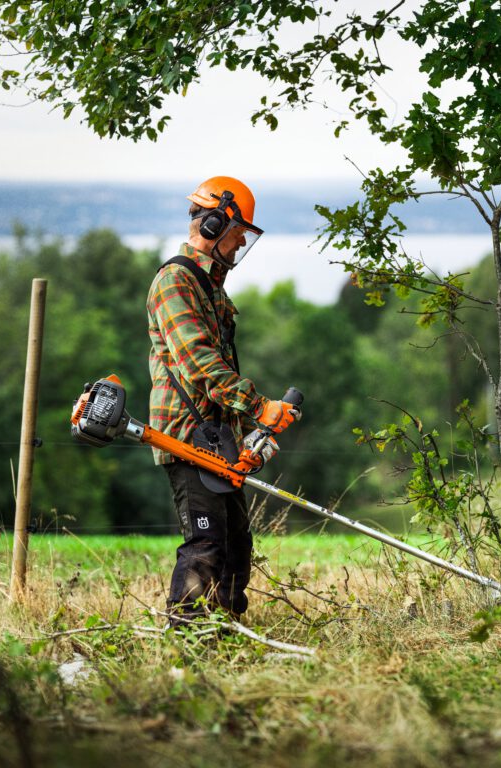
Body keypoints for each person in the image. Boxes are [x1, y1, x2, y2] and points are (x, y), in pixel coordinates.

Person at [146, 176, 298, 624]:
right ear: (213, 224)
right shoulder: (175, 281)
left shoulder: (212, 287)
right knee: (206, 544)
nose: (239, 245)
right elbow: (198, 362)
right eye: (238, 233)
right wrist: (260, 407)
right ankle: (189, 641)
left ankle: (224, 634)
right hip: (187, 435)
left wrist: (248, 429)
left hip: (218, 436)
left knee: (235, 545)